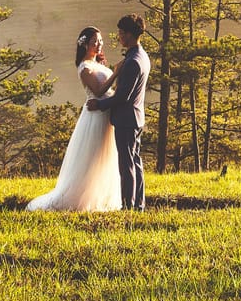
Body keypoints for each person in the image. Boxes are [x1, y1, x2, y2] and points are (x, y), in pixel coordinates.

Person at [26, 27, 122, 212]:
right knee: (93, 157)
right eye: (95, 41)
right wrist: (116, 73)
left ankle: (102, 196)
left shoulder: (98, 64)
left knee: (106, 157)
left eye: (100, 41)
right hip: (95, 116)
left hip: (106, 113)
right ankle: (82, 198)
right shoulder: (85, 67)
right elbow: (98, 90)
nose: (99, 44)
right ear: (85, 45)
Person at [86, 14, 150, 210]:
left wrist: (100, 105)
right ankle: (138, 204)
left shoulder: (132, 62)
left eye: (122, 33)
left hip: (126, 119)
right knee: (135, 161)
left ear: (130, 35)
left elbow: (123, 96)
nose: (119, 36)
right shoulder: (141, 56)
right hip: (135, 117)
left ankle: (128, 206)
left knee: (127, 164)